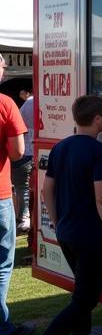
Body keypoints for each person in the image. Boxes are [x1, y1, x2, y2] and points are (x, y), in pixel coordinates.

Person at [11, 95, 102, 335]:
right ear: (97, 119)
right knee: (85, 301)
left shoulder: (61, 147)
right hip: (91, 236)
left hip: (68, 233)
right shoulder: (99, 152)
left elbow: (47, 190)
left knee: (81, 296)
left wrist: (57, 223)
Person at [0, 53, 32, 335]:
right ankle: (1, 327)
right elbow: (17, 152)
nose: (6, 69)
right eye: (3, 65)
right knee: (1, 262)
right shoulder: (5, 103)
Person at [13, 87, 33, 233]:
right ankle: (25, 217)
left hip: (23, 152)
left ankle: (23, 217)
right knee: (24, 187)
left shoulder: (26, 105)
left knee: (21, 186)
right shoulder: (34, 103)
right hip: (28, 151)